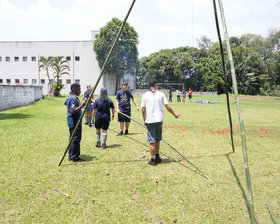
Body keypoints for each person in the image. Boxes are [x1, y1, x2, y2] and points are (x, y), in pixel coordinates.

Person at [141, 78, 179, 166]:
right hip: (159, 120)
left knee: (152, 141)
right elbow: (168, 107)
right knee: (157, 139)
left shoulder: (145, 95)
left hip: (150, 121)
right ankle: (157, 155)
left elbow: (143, 110)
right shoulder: (161, 94)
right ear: (155, 84)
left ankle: (153, 159)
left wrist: (144, 120)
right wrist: (174, 114)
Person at [64, 83, 86, 162]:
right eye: (79, 89)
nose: (80, 91)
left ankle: (71, 155)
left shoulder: (72, 97)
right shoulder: (73, 99)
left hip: (73, 121)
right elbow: (72, 111)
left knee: (72, 138)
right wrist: (82, 105)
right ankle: (75, 157)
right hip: (74, 122)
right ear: (74, 90)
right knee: (75, 139)